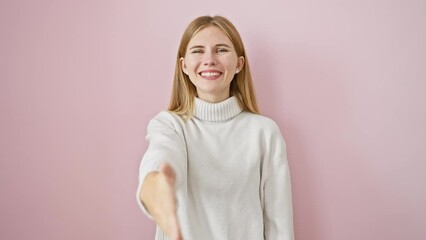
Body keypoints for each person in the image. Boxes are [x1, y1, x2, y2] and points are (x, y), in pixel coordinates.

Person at [136, 15, 294, 240]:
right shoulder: (170, 125)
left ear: (239, 64)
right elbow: (163, 154)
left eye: (221, 50)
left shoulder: (265, 133)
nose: (209, 59)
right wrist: (157, 183)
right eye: (198, 51)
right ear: (184, 66)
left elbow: (280, 225)